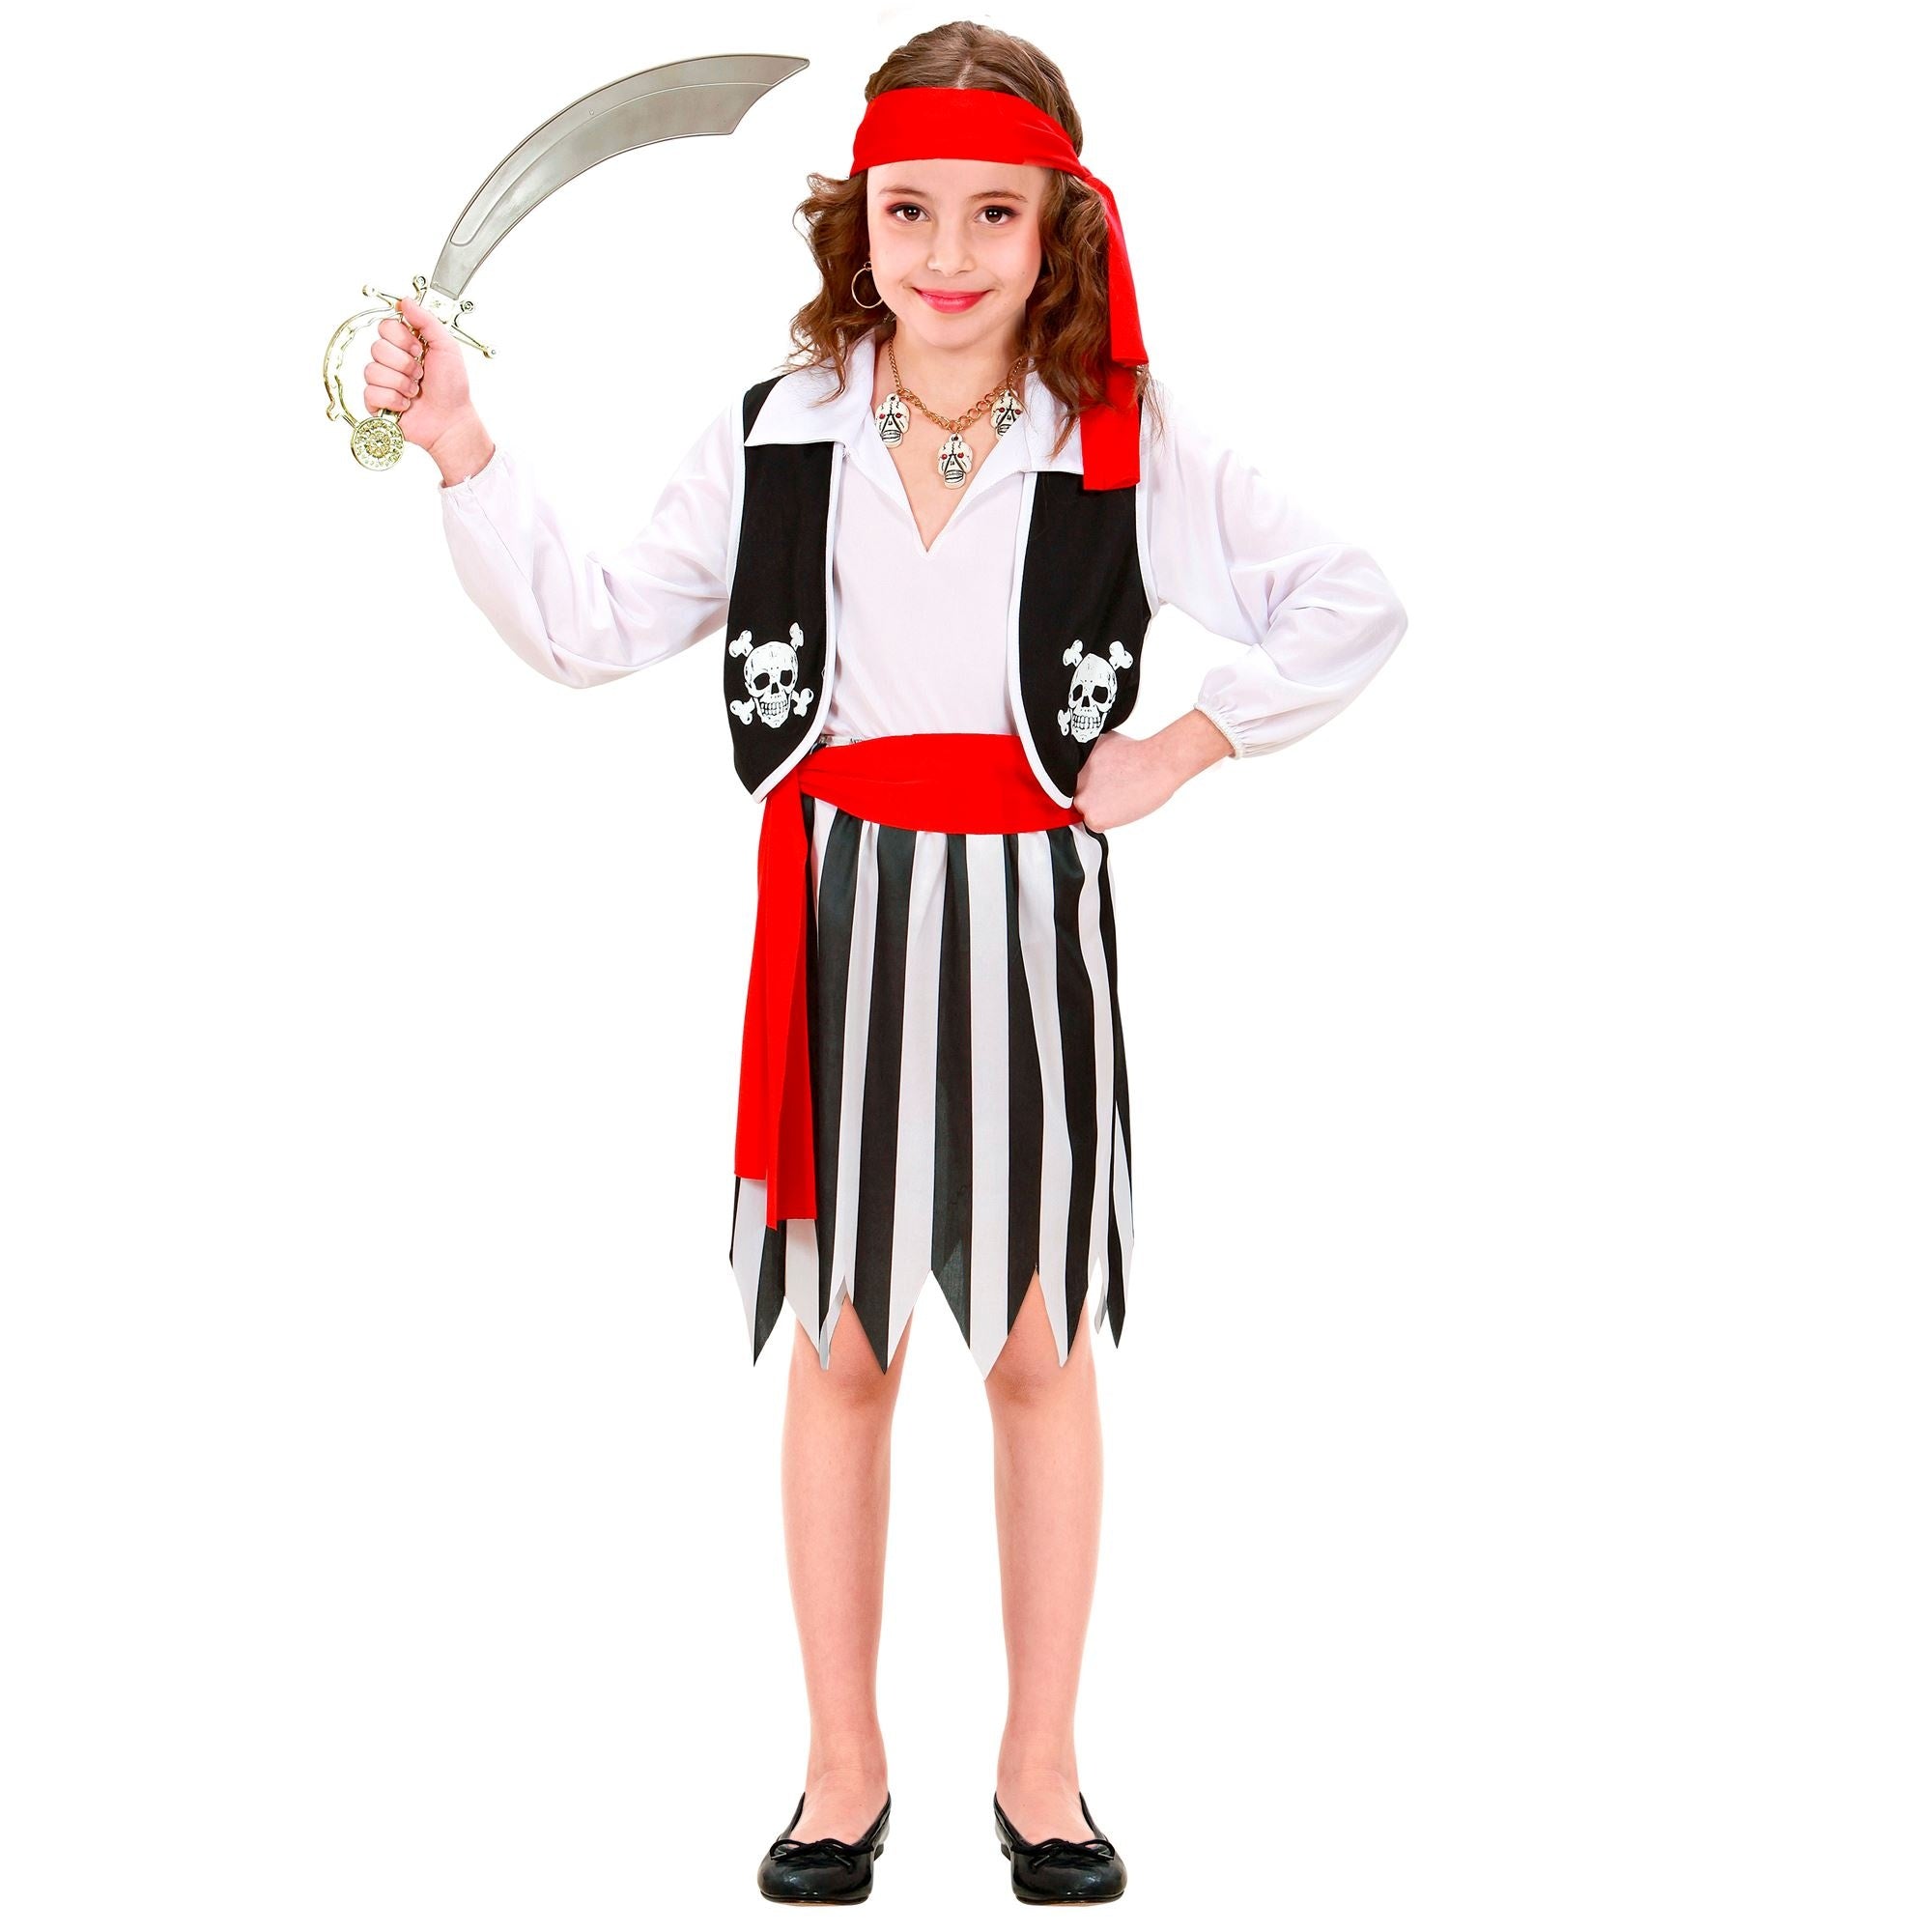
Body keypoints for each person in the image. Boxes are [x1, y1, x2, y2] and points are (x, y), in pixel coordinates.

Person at [365, 21, 1406, 1907]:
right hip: (838, 918)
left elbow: (1352, 598)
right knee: (843, 1348)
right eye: (909, 209)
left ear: (1058, 225)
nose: (946, 252)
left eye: (992, 214)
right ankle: (841, 1766)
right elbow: (590, 625)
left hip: (1030, 924)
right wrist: (462, 445)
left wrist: (1187, 744)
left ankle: (1041, 1765)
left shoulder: (1123, 435)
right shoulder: (785, 428)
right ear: (857, 220)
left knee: (1035, 1345)